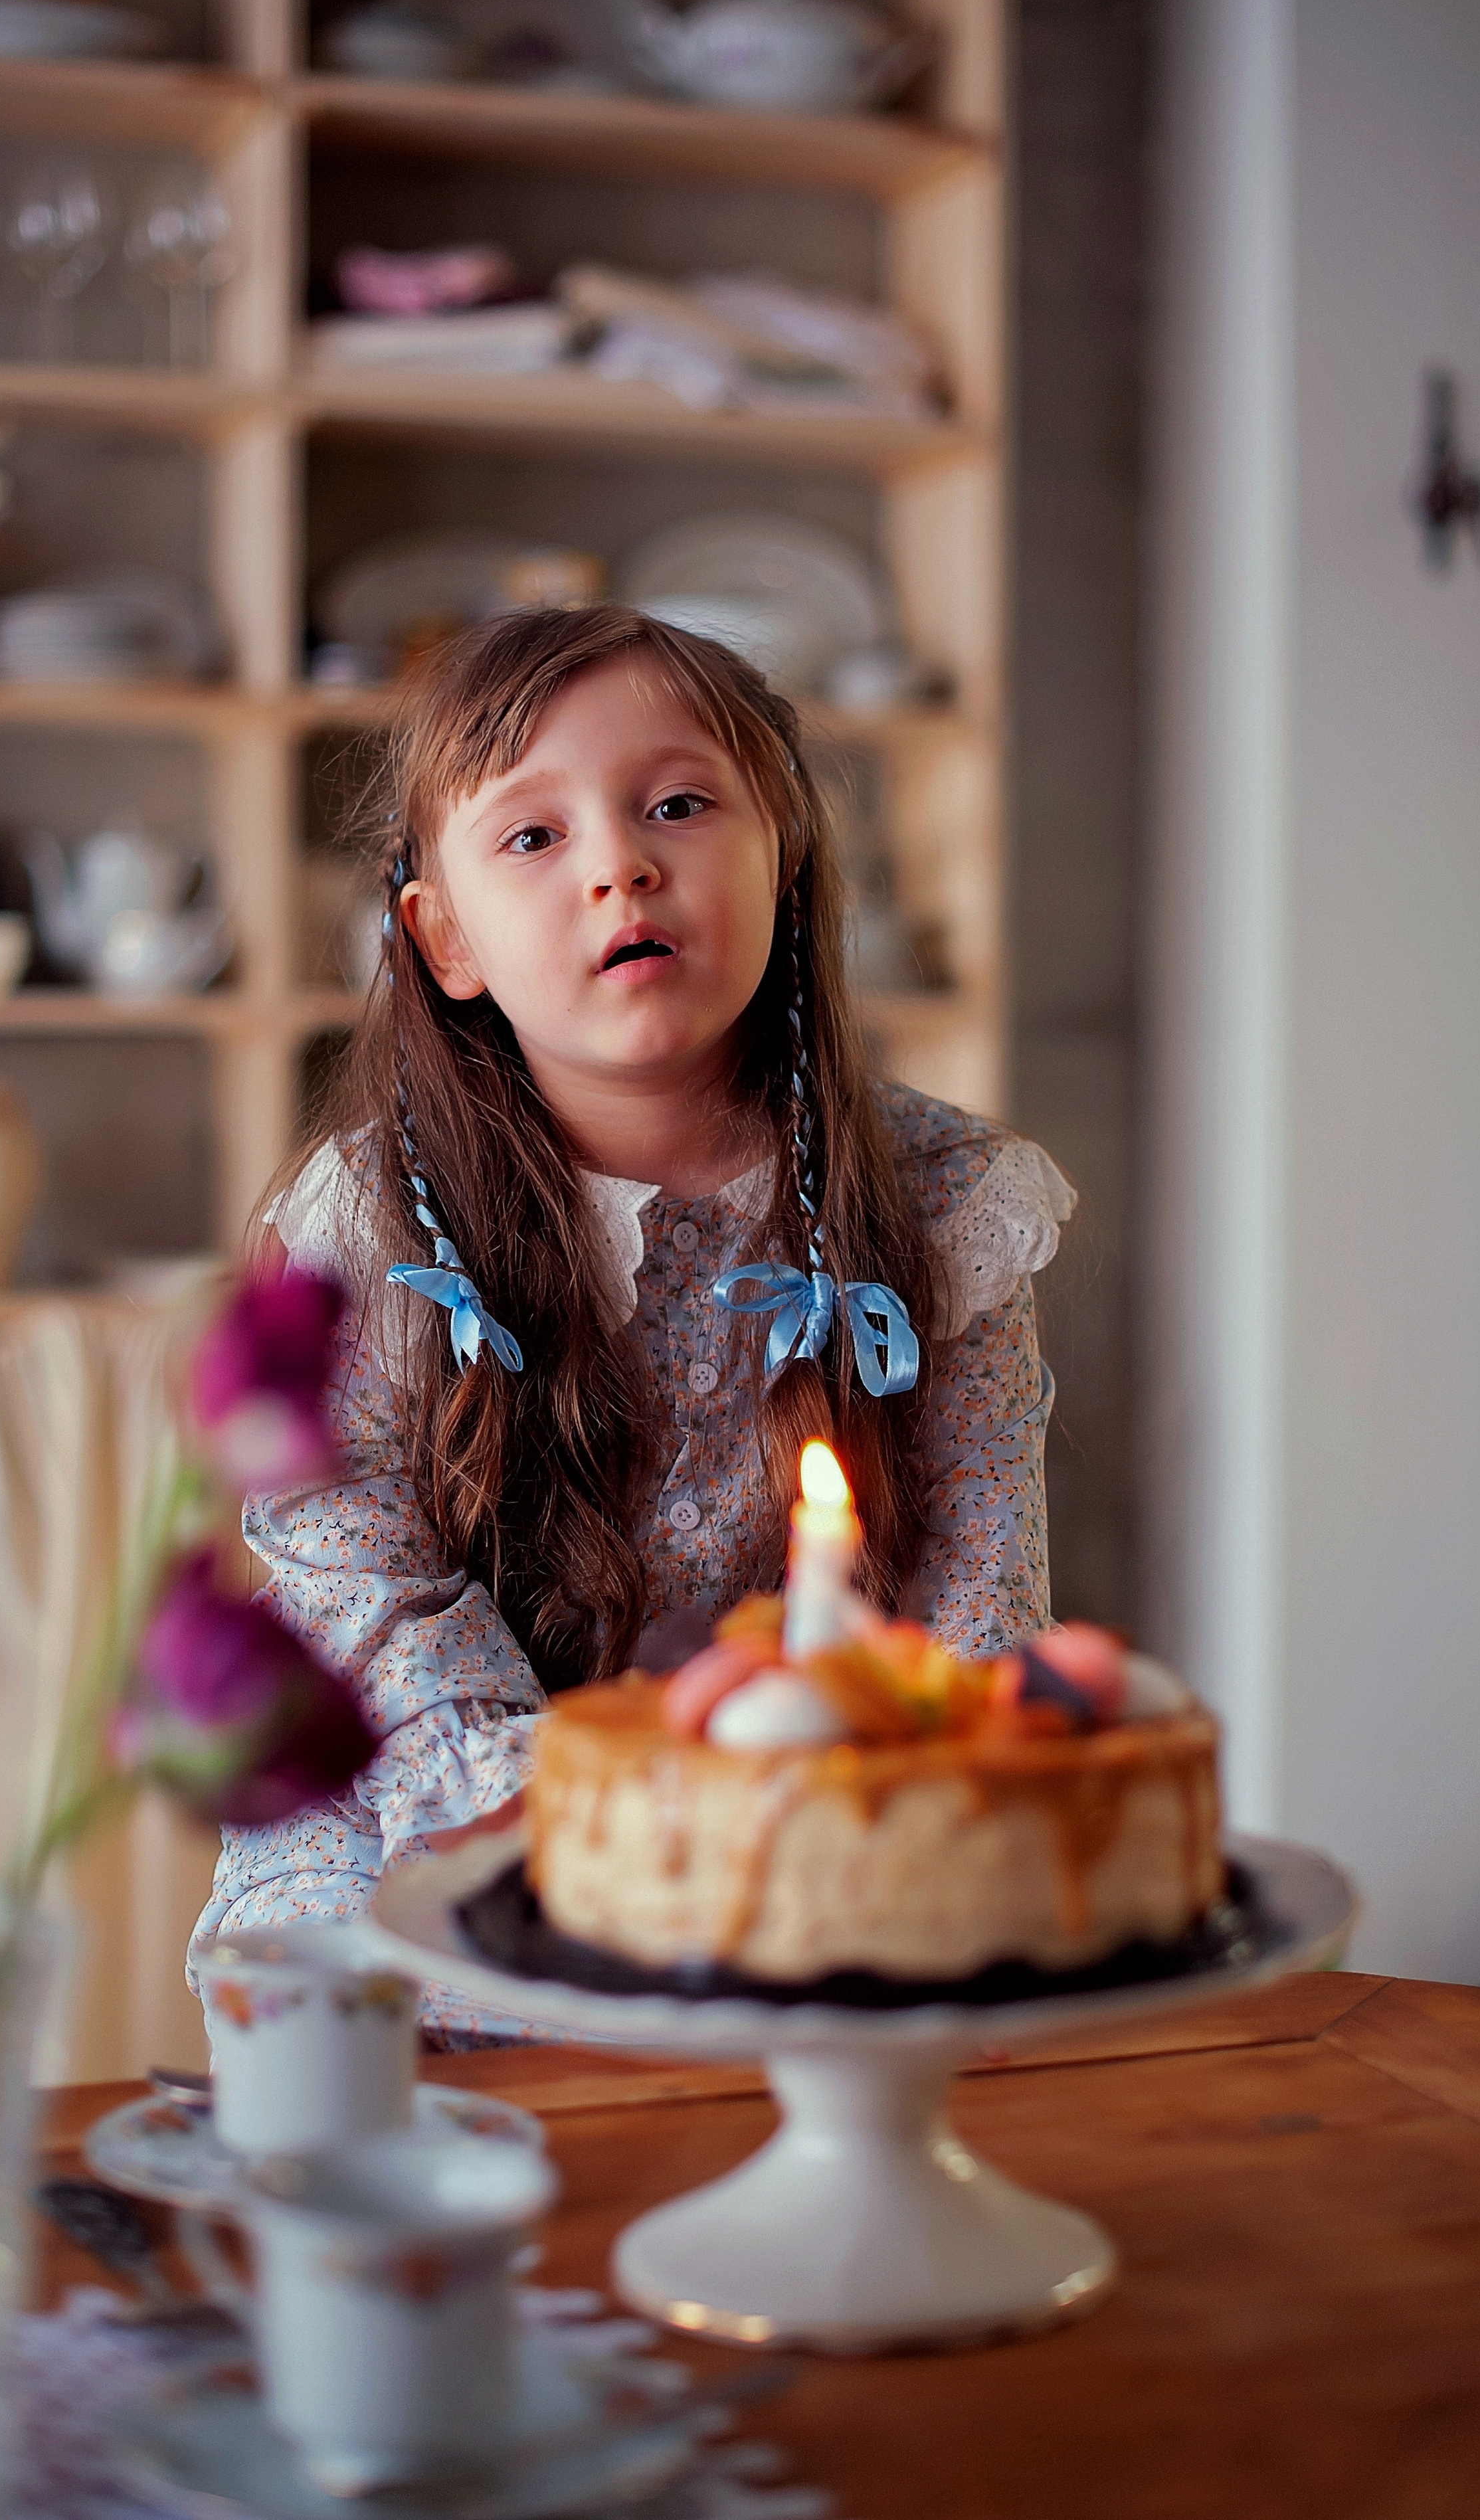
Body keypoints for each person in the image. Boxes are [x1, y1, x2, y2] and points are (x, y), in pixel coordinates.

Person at [188, 605, 1073, 2036]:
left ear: (781, 858)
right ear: (445, 935)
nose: (620, 862)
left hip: (807, 1829)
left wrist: (835, 1811)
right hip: (449, 1828)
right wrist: (582, 1825)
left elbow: (976, 1599)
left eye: (676, 803)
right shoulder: (362, 1232)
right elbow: (361, 1591)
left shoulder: (944, 1208)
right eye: (533, 837)